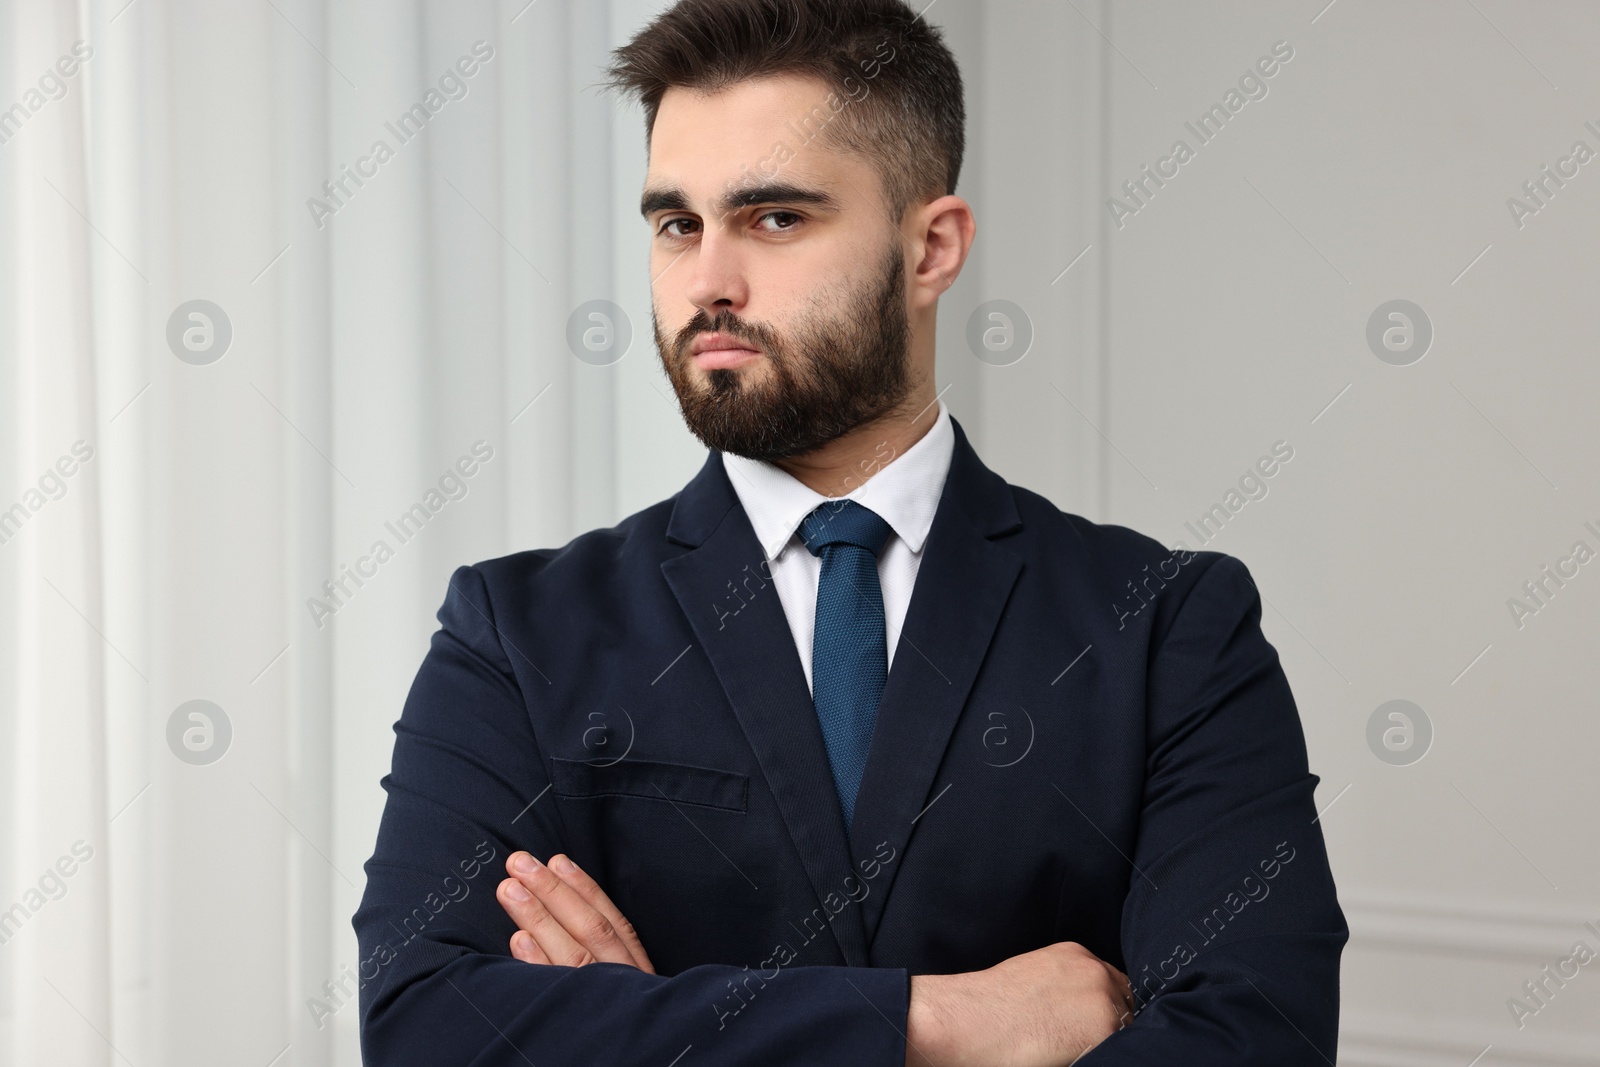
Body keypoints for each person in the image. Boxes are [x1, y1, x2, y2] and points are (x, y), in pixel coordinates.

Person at [351, 1, 1346, 1063]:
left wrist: (657, 1029)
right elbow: (427, 1027)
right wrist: (946, 1021)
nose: (706, 282)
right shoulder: (515, 632)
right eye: (676, 223)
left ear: (931, 247)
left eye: (774, 218)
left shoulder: (1170, 626)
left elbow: (1255, 1038)